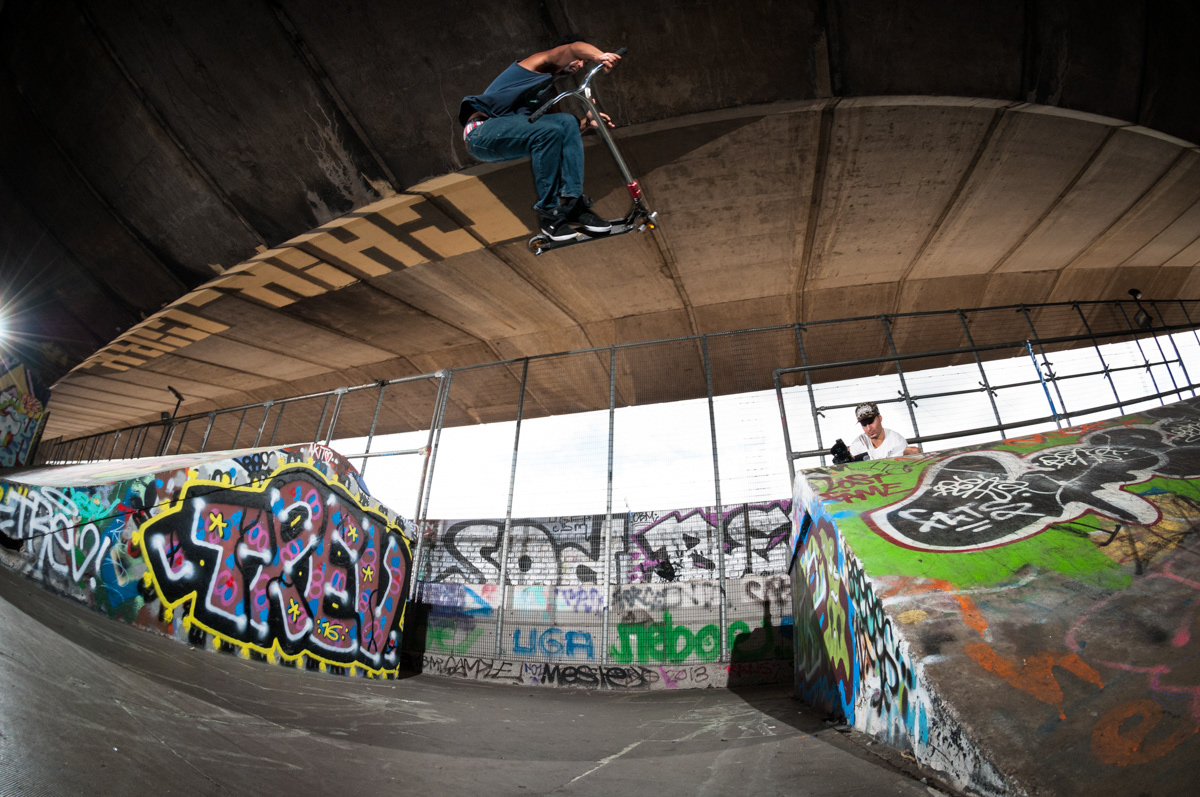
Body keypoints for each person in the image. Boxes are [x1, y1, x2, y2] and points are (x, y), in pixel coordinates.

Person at [459, 38, 621, 242]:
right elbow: (573, 47)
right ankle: (549, 214)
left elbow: (559, 136)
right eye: (579, 59)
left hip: (507, 139)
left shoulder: (549, 93)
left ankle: (574, 205)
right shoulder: (534, 65)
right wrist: (598, 56)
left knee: (566, 121)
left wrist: (586, 123)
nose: (580, 65)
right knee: (550, 130)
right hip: (480, 133)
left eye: (583, 63)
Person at [831, 401, 919, 462]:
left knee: (914, 451)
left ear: (880, 418)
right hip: (867, 482)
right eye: (864, 424)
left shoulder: (896, 441)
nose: (869, 428)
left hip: (895, 480)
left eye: (871, 422)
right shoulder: (858, 443)